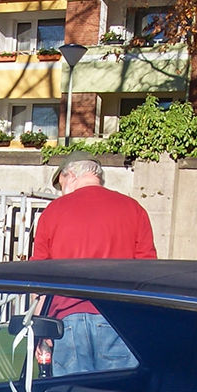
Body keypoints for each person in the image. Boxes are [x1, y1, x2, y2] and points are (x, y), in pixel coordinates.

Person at [31, 153, 157, 375]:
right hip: (119, 318)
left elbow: (39, 277)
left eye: (61, 185)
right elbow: (148, 272)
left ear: (69, 175)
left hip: (67, 319)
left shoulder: (53, 212)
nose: (61, 192)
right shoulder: (133, 209)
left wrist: (41, 329)